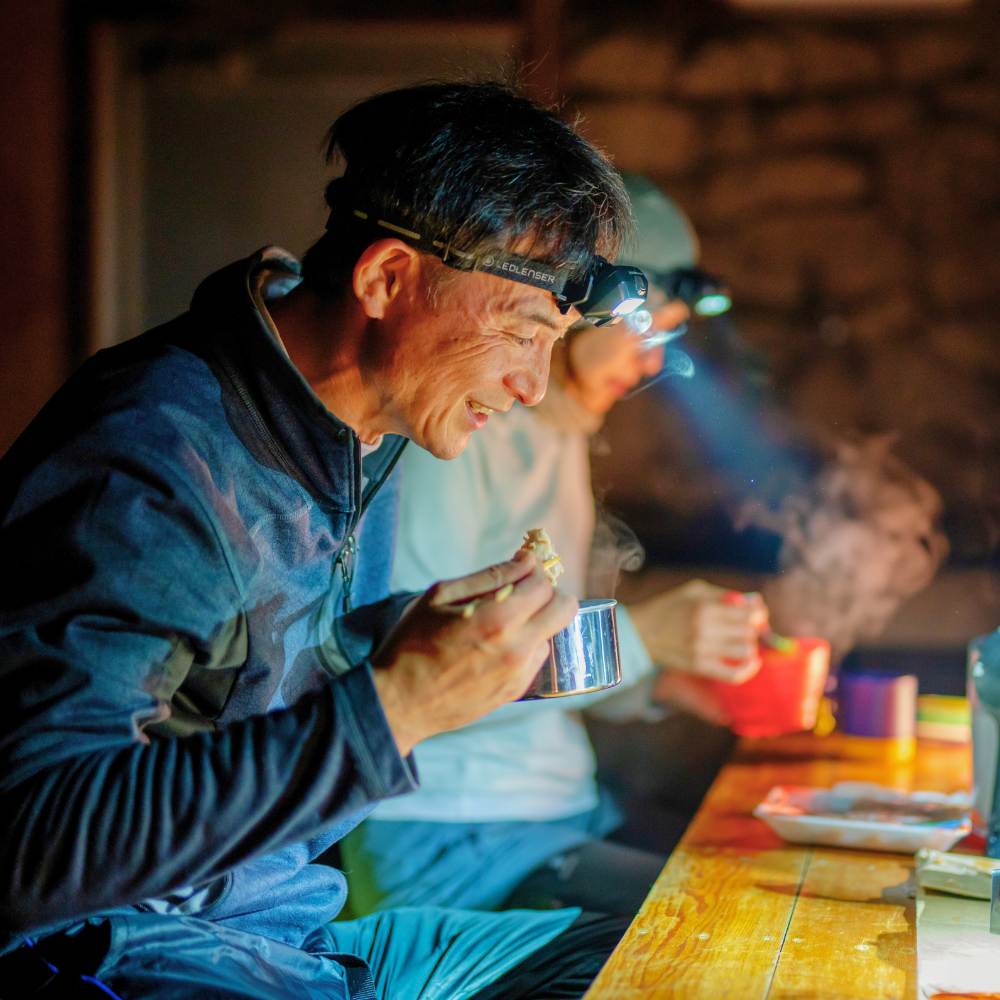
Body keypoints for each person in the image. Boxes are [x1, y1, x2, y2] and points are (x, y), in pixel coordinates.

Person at [0, 82, 642, 999]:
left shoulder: (356, 432)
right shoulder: (151, 461)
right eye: (522, 331)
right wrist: (396, 707)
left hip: (291, 937)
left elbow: (227, 677)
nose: (536, 385)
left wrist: (411, 642)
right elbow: (35, 842)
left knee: (651, 960)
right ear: (386, 280)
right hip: (135, 956)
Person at [341, 175, 767, 920]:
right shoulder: (459, 423)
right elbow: (427, 660)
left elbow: (545, 650)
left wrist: (660, 681)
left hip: (559, 809)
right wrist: (643, 637)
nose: (655, 364)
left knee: (760, 889)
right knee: (717, 929)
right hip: (451, 836)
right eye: (645, 332)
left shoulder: (559, 423)